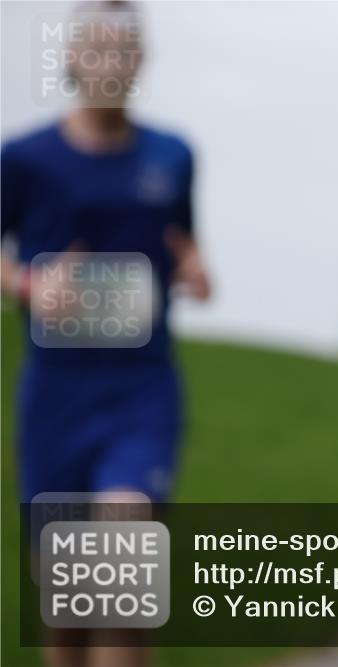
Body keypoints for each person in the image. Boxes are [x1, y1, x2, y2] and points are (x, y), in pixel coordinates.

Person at [1, 3, 210, 665]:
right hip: (58, 393)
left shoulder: (173, 156)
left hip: (140, 387)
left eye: (124, 49)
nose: (110, 63)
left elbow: (183, 242)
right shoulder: (24, 159)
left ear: (140, 60)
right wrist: (27, 285)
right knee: (68, 603)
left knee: (121, 570)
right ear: (72, 58)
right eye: (96, 48)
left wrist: (195, 268)